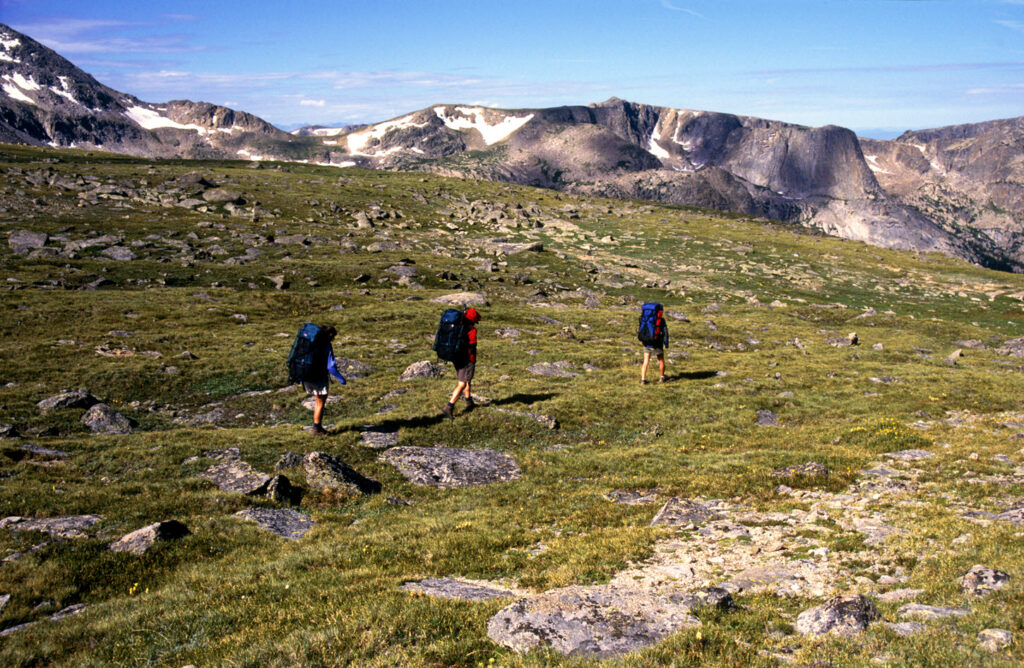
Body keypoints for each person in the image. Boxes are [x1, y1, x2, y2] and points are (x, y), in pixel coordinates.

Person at [304, 324, 346, 435]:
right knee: (320, 401)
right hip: (319, 376)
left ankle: (317, 427)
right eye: (333, 337)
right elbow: (331, 367)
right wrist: (341, 378)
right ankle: (316, 428)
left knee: (317, 399)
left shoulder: (310, 343)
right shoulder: (325, 345)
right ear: (330, 335)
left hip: (306, 376)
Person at [442, 308, 480, 419]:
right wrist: (472, 359)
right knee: (462, 383)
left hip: (456, 358)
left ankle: (469, 402)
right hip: (467, 360)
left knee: (467, 380)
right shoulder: (472, 331)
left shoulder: (458, 327)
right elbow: (472, 347)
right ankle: (449, 407)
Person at [640, 305, 668, 385]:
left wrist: (643, 340)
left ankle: (643, 380)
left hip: (646, 342)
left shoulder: (644, 318)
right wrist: (666, 343)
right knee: (661, 360)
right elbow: (665, 332)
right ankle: (662, 378)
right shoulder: (661, 320)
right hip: (657, 343)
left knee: (645, 361)